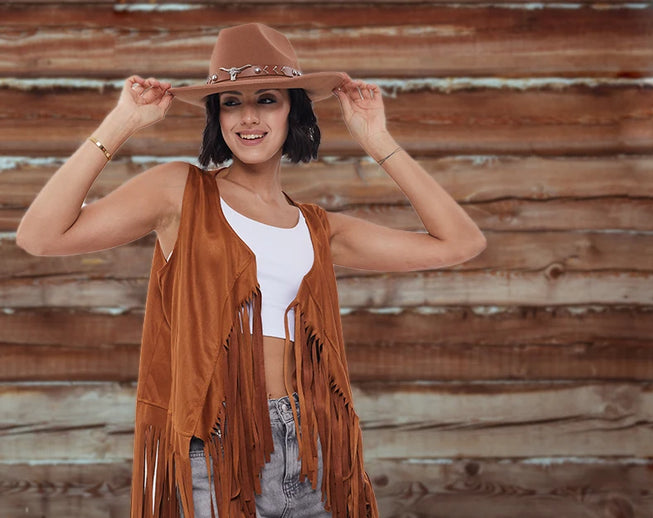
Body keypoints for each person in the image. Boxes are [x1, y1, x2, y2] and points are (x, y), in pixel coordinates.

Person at [14, 23, 486, 518]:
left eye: (267, 99)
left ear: (293, 111)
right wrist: (120, 124)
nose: (248, 118)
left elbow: (459, 242)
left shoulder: (318, 227)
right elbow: (41, 237)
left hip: (313, 447)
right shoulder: (180, 192)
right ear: (216, 117)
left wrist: (378, 139)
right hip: (217, 448)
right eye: (231, 102)